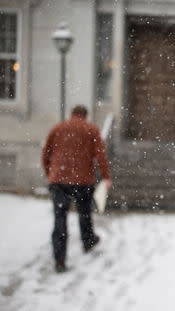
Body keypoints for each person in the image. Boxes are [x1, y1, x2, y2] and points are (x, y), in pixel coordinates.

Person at [42, 105, 112, 273]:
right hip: (83, 180)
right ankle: (88, 241)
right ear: (85, 115)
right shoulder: (91, 129)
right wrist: (106, 176)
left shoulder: (58, 128)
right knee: (84, 213)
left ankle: (59, 259)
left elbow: (46, 153)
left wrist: (49, 173)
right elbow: (101, 155)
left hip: (59, 180)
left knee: (60, 218)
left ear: (72, 114)